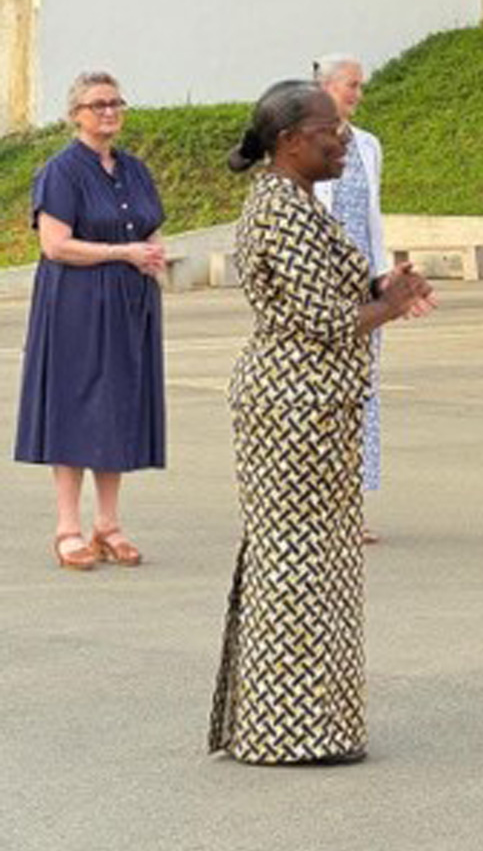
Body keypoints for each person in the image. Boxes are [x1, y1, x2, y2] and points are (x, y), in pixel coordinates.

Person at [209, 80, 432, 766]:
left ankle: (318, 725)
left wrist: (383, 288)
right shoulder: (277, 207)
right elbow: (322, 321)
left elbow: (338, 291)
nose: (342, 141)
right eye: (329, 131)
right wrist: (388, 308)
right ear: (288, 142)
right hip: (291, 407)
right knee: (293, 566)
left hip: (320, 408)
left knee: (323, 565)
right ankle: (285, 733)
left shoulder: (301, 201)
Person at [14, 71, 166, 571]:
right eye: (98, 103)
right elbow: (55, 245)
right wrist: (123, 251)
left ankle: (108, 523)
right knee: (75, 406)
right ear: (75, 113)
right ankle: (67, 527)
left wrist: (151, 254)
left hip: (129, 304)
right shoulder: (61, 171)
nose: (109, 111)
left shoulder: (134, 169)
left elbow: (150, 227)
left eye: (116, 102)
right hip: (76, 304)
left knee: (116, 405)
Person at [312, 53, 390, 545]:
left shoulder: (368, 145)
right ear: (325, 88)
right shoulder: (303, 141)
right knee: (320, 391)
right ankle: (316, 505)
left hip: (363, 282)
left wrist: (382, 277)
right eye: (350, 85)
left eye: (361, 86)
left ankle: (351, 504)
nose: (357, 94)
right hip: (319, 283)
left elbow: (373, 216)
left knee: (360, 392)